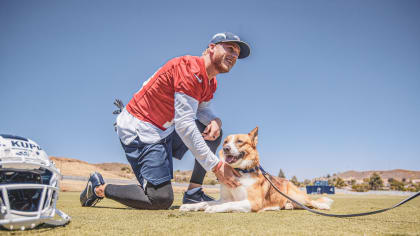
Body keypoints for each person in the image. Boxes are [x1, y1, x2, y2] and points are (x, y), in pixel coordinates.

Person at [80, 32, 251, 210]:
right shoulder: (189, 69)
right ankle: (99, 188)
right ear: (211, 47)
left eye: (237, 54)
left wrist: (216, 120)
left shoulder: (211, 81)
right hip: (140, 130)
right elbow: (185, 125)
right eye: (230, 48)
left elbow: (203, 109)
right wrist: (216, 166)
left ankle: (193, 193)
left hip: (165, 129)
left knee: (214, 130)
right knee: (160, 199)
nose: (233, 55)